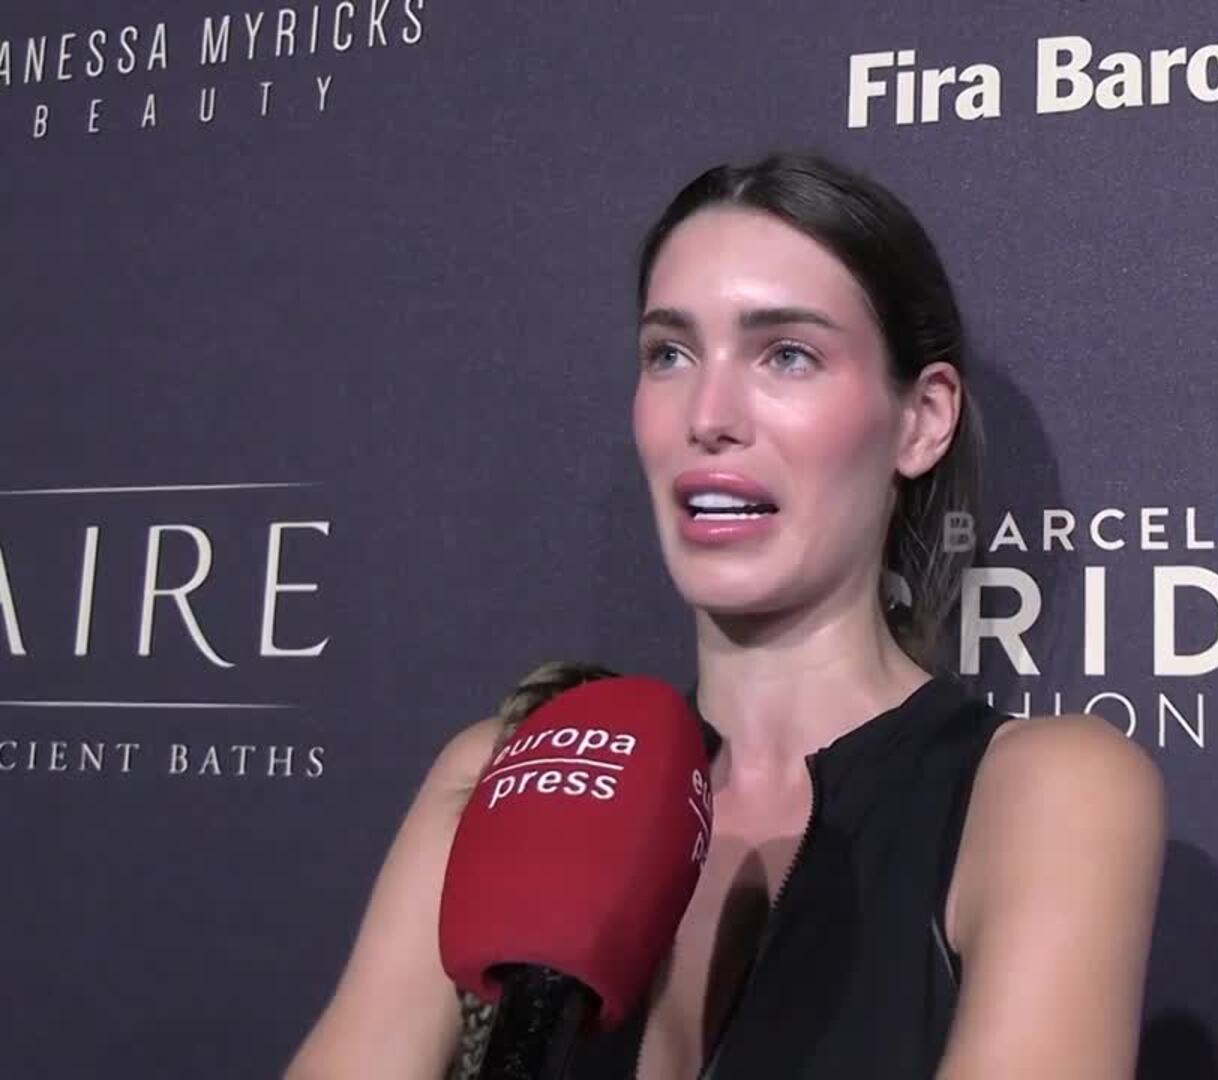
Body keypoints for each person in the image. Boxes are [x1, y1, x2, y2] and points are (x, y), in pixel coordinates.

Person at [286, 152, 1167, 1079]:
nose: (708, 415)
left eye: (787, 354)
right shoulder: (511, 768)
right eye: (669, 354)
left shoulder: (1041, 793)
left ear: (921, 421)